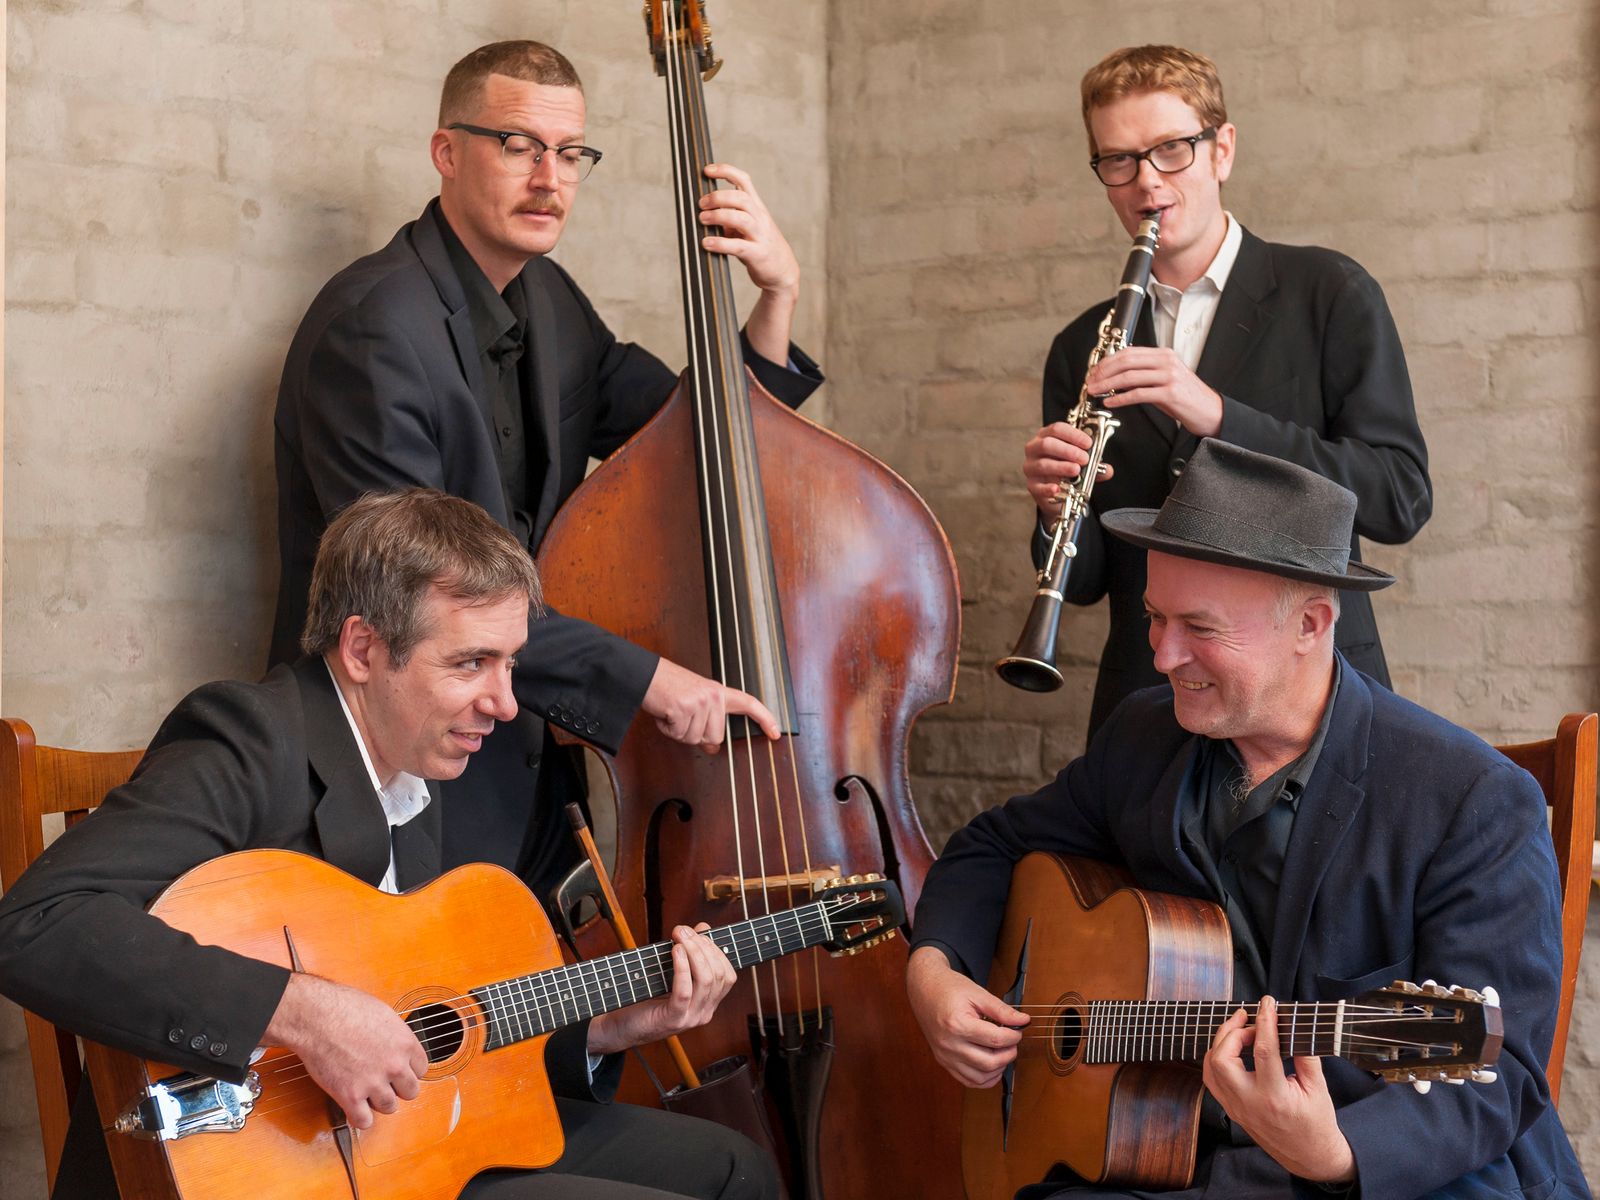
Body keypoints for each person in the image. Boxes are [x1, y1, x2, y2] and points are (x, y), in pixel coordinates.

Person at [0, 489, 779, 1200]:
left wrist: (614, 1028)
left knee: (733, 1168)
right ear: (364, 649)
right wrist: (303, 1012)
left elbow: (434, 1026)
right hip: (271, 1166)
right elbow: (35, 924)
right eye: (471, 663)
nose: (506, 703)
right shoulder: (248, 741)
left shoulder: (419, 756)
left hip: (401, 1143)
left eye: (510, 663)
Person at [909, 441, 1587, 1199]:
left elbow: (1500, 1070)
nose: (1164, 656)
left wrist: (1336, 1154)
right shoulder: (1145, 737)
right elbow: (994, 846)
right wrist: (935, 969)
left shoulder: (1471, 797)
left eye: (1200, 628)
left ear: (1311, 623)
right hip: (1165, 1161)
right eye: (1155, 618)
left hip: (1389, 1178)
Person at [271, 40, 823, 896]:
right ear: (447, 152)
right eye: (519, 146)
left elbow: (695, 444)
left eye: (569, 154)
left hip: (530, 767)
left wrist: (776, 295)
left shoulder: (552, 301)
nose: (548, 179)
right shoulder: (371, 330)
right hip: (397, 773)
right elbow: (428, 592)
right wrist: (651, 682)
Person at [1021, 45, 1430, 739]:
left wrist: (1216, 415)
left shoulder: (1329, 293)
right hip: (1149, 711)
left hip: (1310, 706)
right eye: (1119, 160)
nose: (1147, 182)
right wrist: (1054, 508)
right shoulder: (1080, 344)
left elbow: (1399, 499)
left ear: (1223, 150)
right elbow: (1085, 584)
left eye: (1171, 149)